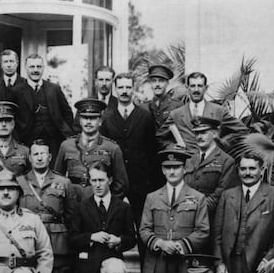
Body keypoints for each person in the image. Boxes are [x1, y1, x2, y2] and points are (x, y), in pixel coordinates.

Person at [68, 161, 137, 273]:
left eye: (101, 180)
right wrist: (92, 237)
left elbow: (132, 238)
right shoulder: (81, 207)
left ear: (110, 180)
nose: (97, 185)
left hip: (113, 272)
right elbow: (72, 239)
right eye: (94, 180)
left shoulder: (122, 207)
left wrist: (119, 241)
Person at [18, 140, 77, 273]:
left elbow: (72, 217)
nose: (39, 158)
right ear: (30, 158)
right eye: (35, 154)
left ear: (50, 157)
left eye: (43, 154)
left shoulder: (64, 183)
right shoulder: (20, 182)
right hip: (28, 242)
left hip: (56, 243)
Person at [101, 72, 158, 237]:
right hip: (115, 183)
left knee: (143, 227)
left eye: (128, 87)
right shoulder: (108, 118)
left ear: (133, 89)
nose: (124, 91)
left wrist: (149, 180)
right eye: (120, 87)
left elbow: (152, 151)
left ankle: (145, 263)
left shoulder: (145, 116)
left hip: (140, 183)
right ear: (115, 89)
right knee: (112, 226)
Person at [54, 98, 128, 202]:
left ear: (100, 121)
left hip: (99, 205)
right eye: (85, 118)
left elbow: (121, 184)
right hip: (72, 204)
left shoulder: (112, 148)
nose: (88, 122)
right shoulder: (66, 146)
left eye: (93, 118)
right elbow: (57, 178)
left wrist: (107, 204)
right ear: (80, 120)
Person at [10, 53, 73, 158]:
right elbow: (12, 117)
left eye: (38, 66)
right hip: (27, 141)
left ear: (43, 68)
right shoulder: (16, 91)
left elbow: (67, 113)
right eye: (32, 67)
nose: (35, 70)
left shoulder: (54, 89)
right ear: (26, 68)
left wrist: (66, 132)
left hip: (54, 141)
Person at [169, 72, 247, 153]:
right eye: (192, 86)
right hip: (186, 162)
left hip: (212, 162)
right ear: (187, 88)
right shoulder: (175, 114)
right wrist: (173, 146)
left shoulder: (219, 110)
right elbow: (161, 138)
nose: (196, 90)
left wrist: (225, 142)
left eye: (200, 86)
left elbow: (243, 130)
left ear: (206, 88)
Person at [183, 116, 238, 218]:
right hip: (187, 216)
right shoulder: (189, 159)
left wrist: (196, 207)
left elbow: (221, 194)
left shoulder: (226, 161)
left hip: (212, 217)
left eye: (203, 132)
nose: (199, 137)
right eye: (197, 133)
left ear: (214, 134)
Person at [147, 64, 183, 151]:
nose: (157, 84)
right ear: (150, 83)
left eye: (161, 81)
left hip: (170, 153)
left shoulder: (177, 106)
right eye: (154, 81)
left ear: (167, 83)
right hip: (149, 155)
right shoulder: (144, 107)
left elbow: (182, 133)